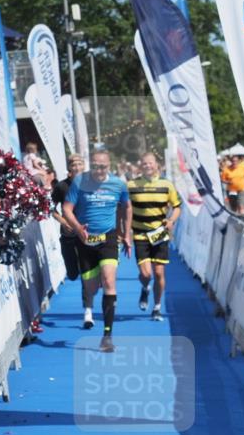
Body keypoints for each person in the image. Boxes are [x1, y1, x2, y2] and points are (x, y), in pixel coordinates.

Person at [62, 149, 131, 351]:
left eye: (103, 166)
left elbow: (127, 207)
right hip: (85, 239)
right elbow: (66, 209)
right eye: (96, 166)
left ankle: (107, 336)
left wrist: (126, 234)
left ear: (109, 165)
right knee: (91, 288)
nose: (99, 170)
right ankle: (97, 280)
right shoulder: (80, 182)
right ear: (91, 164)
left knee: (110, 281)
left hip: (108, 238)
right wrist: (78, 229)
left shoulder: (118, 184)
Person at [127, 152, 181, 321]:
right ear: (140, 166)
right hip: (140, 234)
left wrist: (171, 220)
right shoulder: (131, 185)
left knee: (159, 274)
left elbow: (177, 206)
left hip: (160, 233)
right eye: (144, 163)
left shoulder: (167, 185)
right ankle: (145, 288)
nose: (148, 166)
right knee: (146, 275)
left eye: (150, 163)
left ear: (157, 165)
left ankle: (157, 308)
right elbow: (124, 208)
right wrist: (125, 232)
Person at [51, 153, 86, 284]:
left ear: (83, 166)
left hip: (86, 233)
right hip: (69, 233)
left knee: (87, 271)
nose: (77, 167)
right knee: (72, 274)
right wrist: (64, 222)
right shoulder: (61, 186)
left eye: (79, 164)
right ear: (69, 168)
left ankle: (87, 299)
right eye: (73, 165)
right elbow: (50, 208)